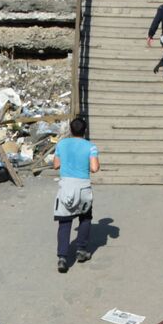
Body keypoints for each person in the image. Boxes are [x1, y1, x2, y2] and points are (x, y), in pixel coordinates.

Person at [52, 116, 100, 272]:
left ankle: (62, 257)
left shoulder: (61, 144)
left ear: (71, 130)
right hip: (83, 187)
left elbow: (56, 165)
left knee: (64, 222)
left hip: (66, 186)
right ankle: (81, 250)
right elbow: (94, 168)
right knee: (85, 218)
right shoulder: (90, 146)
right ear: (84, 131)